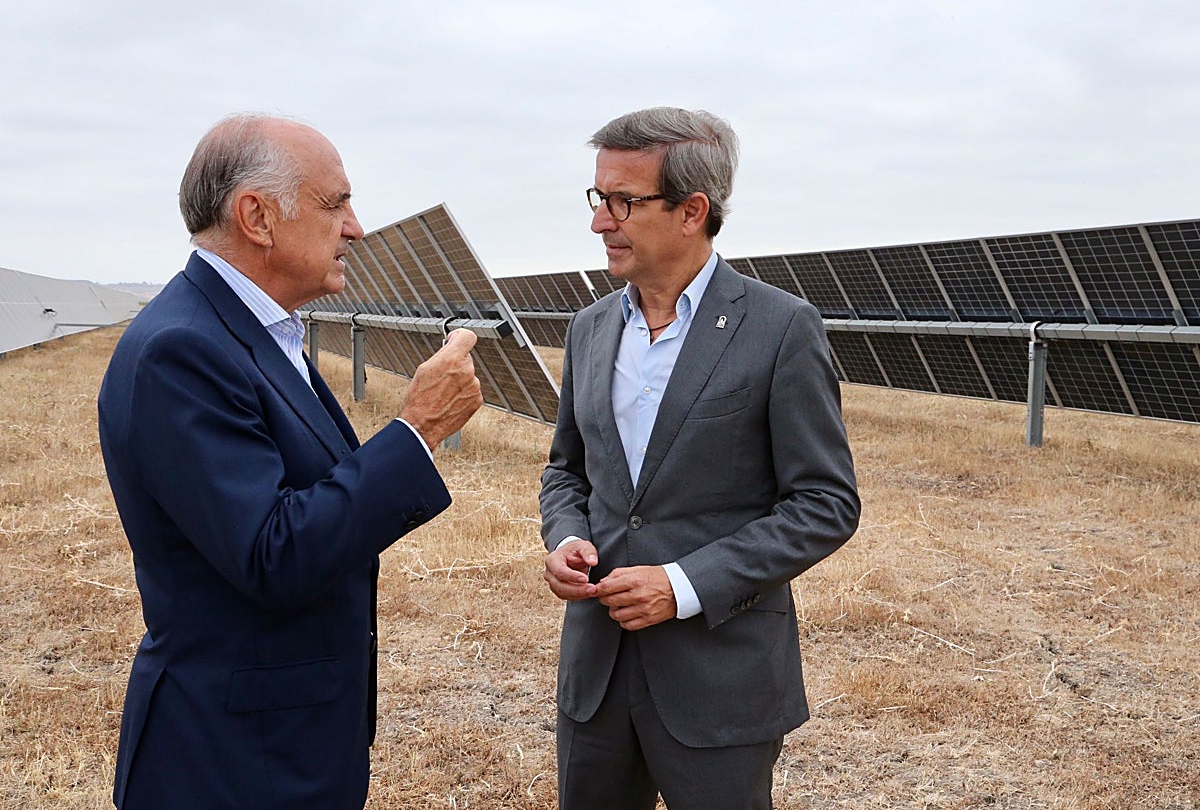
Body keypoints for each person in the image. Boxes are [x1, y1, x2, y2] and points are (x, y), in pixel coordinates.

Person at [97, 113, 483, 810]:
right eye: (335, 203)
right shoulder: (182, 351)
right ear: (257, 217)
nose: (356, 227)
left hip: (279, 746)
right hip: (230, 765)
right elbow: (271, 554)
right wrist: (417, 431)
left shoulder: (251, 332)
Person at [539, 107, 861, 809]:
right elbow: (567, 470)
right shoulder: (589, 329)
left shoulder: (780, 328)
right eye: (598, 198)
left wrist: (684, 584)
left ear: (692, 211)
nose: (599, 222)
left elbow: (826, 504)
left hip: (720, 680)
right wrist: (565, 537)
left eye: (623, 202)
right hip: (596, 675)